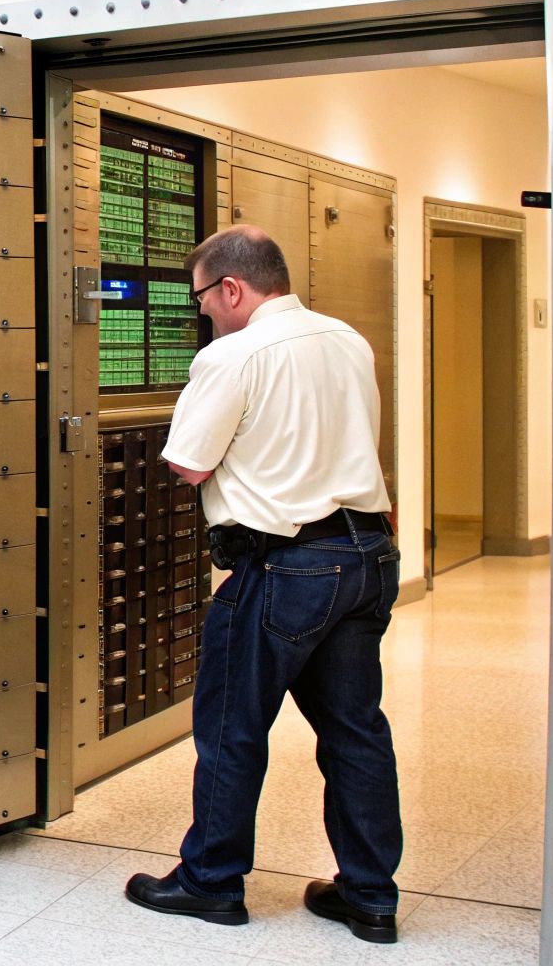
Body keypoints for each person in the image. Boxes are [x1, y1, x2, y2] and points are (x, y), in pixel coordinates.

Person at [122, 225, 405, 944]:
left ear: (232, 288)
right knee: (355, 732)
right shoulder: (347, 338)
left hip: (283, 568)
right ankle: (369, 895)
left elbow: (187, 463)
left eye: (203, 300)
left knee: (231, 728)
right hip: (366, 555)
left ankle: (210, 882)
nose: (204, 314)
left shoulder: (232, 354)